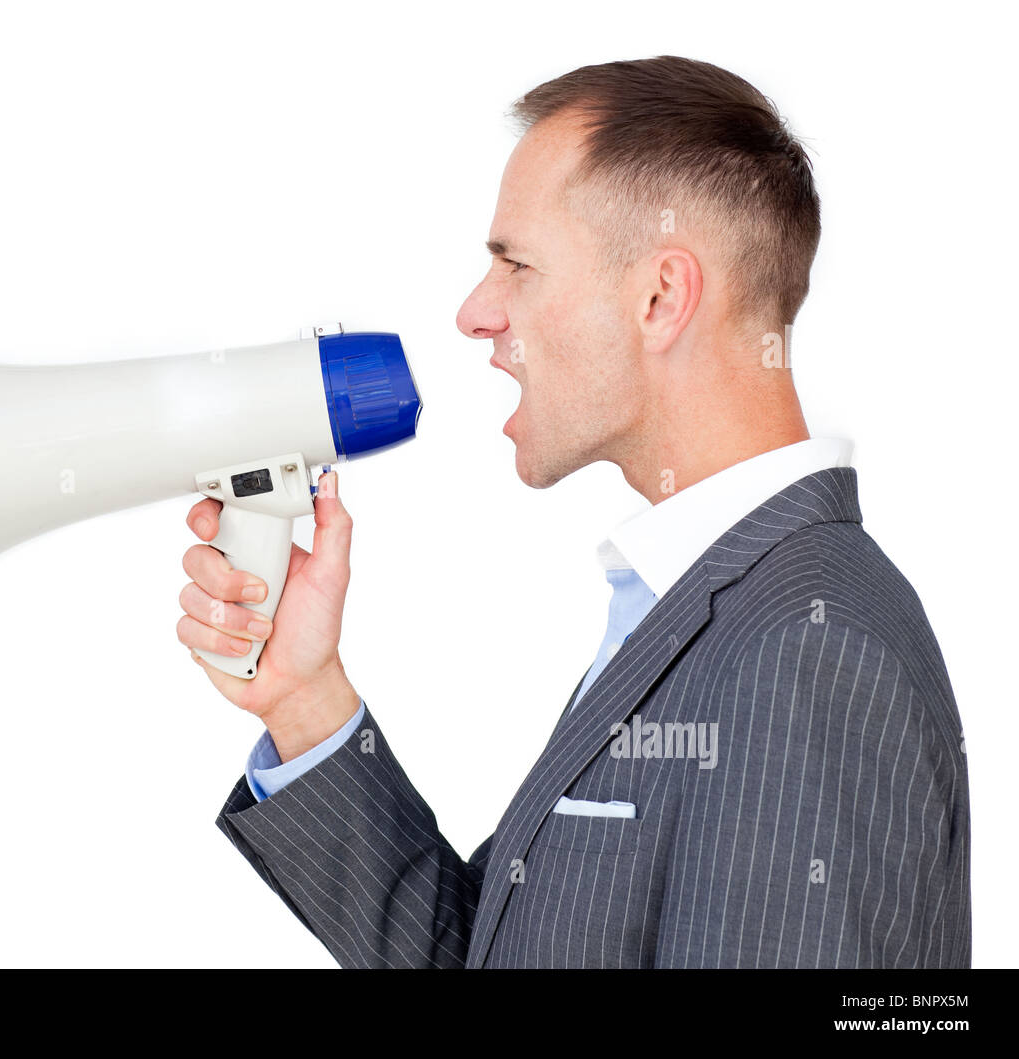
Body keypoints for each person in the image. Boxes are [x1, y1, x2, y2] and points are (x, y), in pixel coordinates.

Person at [176, 55, 970, 968]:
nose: (475, 313)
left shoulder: (809, 651)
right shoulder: (709, 610)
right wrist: (306, 701)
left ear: (661, 297)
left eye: (515, 263)